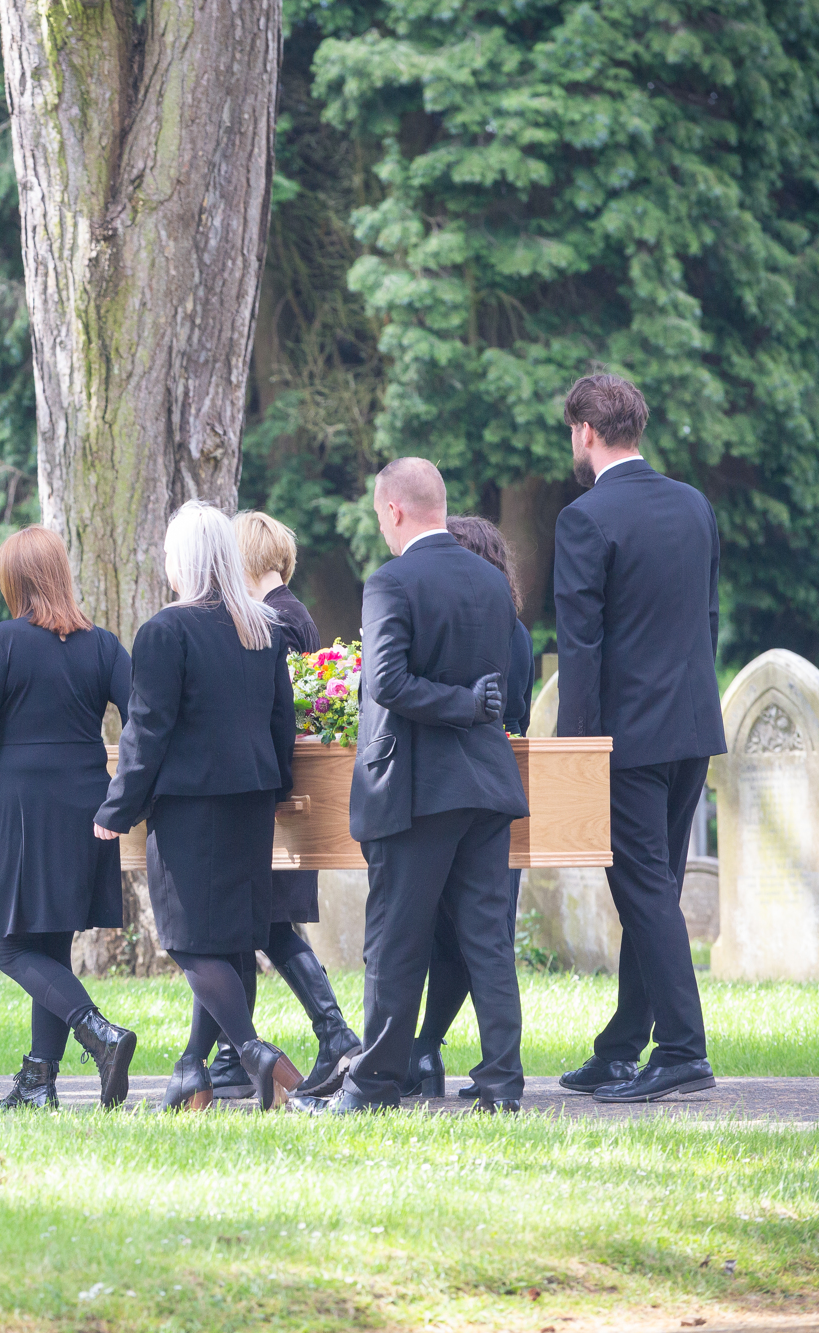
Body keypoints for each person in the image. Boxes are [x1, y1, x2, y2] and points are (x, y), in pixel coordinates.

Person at [292, 458, 529, 1115]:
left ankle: (372, 1088)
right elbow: (497, 687)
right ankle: (503, 1086)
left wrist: (458, 702)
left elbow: (388, 682)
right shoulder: (490, 580)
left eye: (377, 515)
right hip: (485, 784)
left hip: (418, 787)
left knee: (395, 940)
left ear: (393, 510)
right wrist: (472, 702)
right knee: (488, 941)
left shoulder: (391, 580)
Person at [0, 525, 138, 1111]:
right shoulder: (104, 645)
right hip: (89, 809)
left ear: (17, 583)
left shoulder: (5, 640)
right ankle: (39, 1082)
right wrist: (128, 793)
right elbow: (149, 718)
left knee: (11, 950)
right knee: (50, 946)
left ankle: (101, 1035)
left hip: (27, 812)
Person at [93, 501, 301, 1112]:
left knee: (189, 941)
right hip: (251, 798)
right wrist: (279, 785)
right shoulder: (261, 626)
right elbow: (280, 721)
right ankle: (192, 1069)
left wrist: (116, 807)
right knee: (230, 939)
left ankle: (253, 1051)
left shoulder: (166, 630)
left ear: (184, 559)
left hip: (190, 807)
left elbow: (146, 731)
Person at [553, 373, 724, 1103]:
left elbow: (580, 648)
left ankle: (683, 1048)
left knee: (645, 894)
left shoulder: (585, 518)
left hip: (627, 740)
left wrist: (572, 756)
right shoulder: (694, 505)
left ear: (586, 432)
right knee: (656, 891)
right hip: (691, 728)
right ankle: (623, 1043)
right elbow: (707, 618)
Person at [192, 512, 361, 1101]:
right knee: (249, 925)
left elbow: (277, 709)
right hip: (276, 787)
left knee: (262, 923)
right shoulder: (292, 612)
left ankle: (332, 1033)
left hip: (270, 790)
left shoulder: (275, 618)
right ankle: (236, 1055)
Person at [400, 513, 534, 1098]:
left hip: (439, 786)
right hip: (496, 787)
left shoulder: (470, 624)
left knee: (435, 935)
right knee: (481, 937)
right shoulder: (513, 627)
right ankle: (476, 1065)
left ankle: (419, 1051)